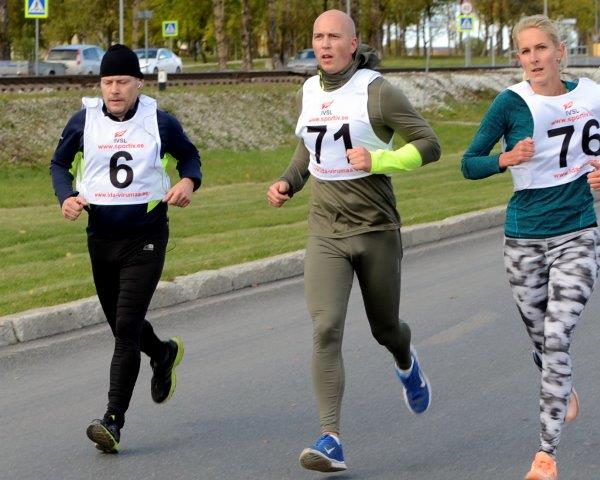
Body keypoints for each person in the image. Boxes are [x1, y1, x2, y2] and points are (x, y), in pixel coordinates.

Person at [267, 9, 440, 473]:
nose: (325, 45)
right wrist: (287, 182)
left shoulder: (377, 91)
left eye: (334, 37)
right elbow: (308, 148)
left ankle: (406, 360)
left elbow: (430, 144)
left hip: (376, 228)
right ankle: (331, 438)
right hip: (326, 229)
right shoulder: (308, 91)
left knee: (386, 328)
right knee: (325, 327)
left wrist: (380, 159)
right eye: (318, 36)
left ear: (353, 42)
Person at [462, 14, 600, 480]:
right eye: (525, 51)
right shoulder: (510, 103)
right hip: (523, 239)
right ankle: (562, 384)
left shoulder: (592, 96)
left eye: (542, 48)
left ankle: (546, 456)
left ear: (560, 51)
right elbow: (469, 163)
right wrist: (504, 158)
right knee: (542, 342)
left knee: (558, 337)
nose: (534, 58)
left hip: (578, 233)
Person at [50, 44, 201, 454]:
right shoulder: (84, 121)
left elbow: (190, 158)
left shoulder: (159, 122)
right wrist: (66, 197)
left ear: (139, 83)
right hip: (101, 237)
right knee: (122, 327)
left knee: (127, 327)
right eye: (107, 82)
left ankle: (112, 420)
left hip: (145, 236)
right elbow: (58, 164)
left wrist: (188, 183)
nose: (114, 90)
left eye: (122, 81)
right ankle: (163, 353)